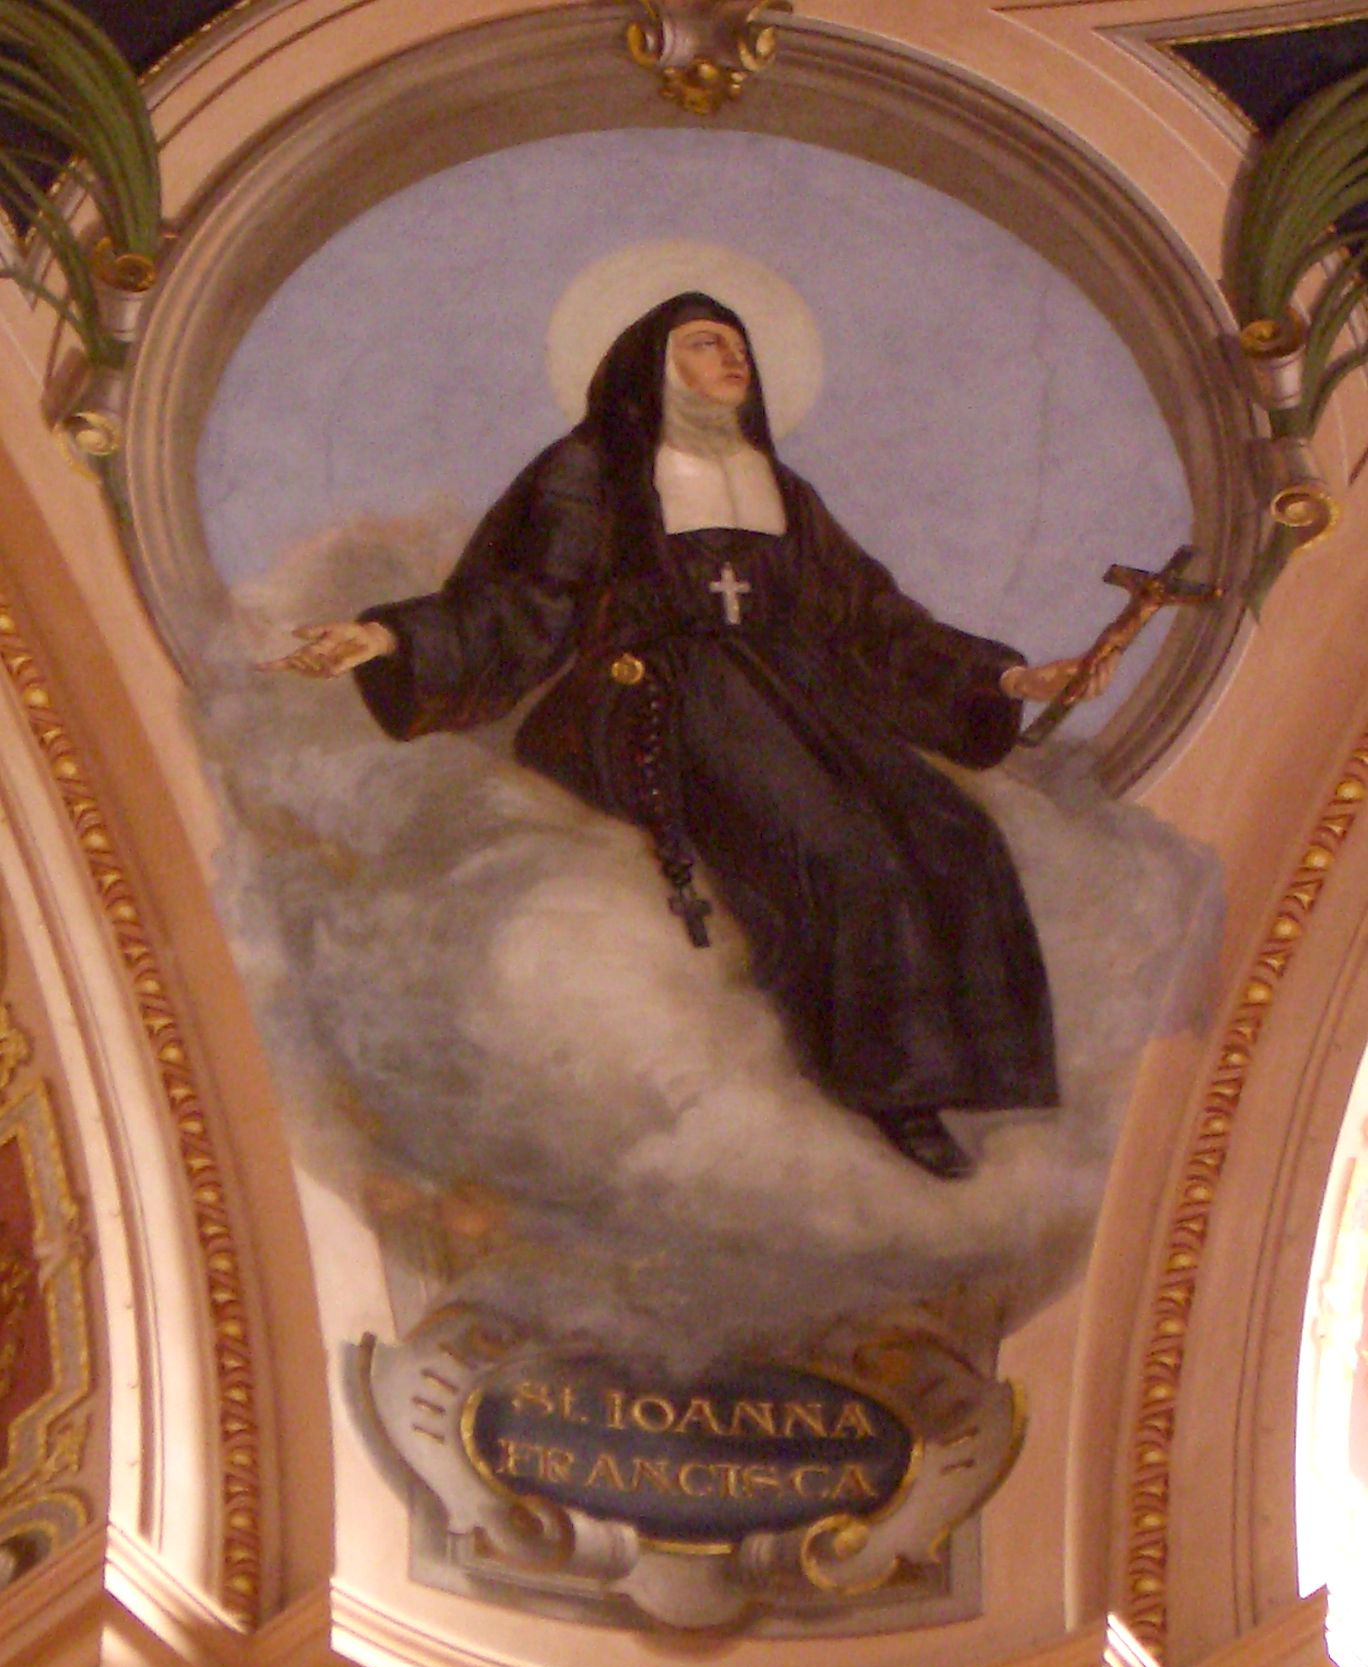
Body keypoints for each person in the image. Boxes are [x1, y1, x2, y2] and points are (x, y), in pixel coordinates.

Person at [265, 292, 1112, 1177]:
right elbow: (527, 598)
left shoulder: (781, 488)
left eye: (739, 344)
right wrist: (390, 636)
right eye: (706, 344)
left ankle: (979, 1073)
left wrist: (1010, 678)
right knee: (841, 849)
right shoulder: (594, 470)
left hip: (788, 694)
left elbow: (870, 618)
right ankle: (893, 1089)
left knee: (955, 830)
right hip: (653, 694)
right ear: (656, 368)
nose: (733, 358)